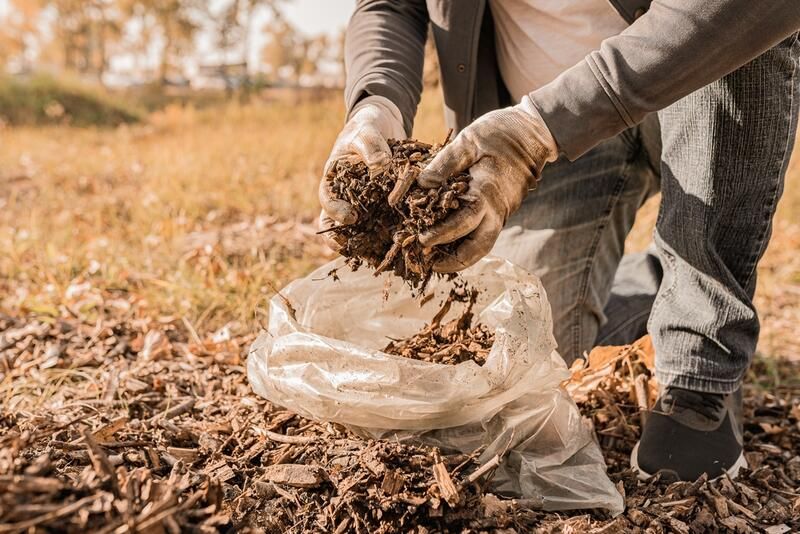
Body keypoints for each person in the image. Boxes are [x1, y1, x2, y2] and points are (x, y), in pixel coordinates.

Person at [318, 0, 800, 482]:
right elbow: (391, 5)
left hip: (688, 87)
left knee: (739, 37)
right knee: (533, 360)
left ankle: (701, 361)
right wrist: (375, 102)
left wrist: (537, 129)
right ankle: (659, 285)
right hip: (543, 134)